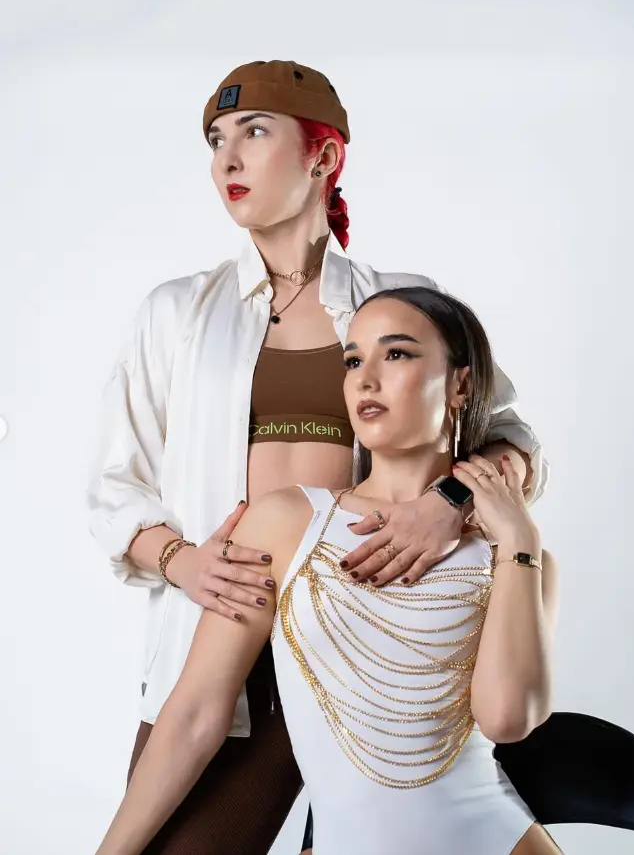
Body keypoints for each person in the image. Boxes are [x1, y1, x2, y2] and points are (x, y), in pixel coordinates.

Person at [87, 60, 548, 854]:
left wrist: (448, 504)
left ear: (324, 156)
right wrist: (180, 560)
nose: (227, 159)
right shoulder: (177, 314)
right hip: (225, 645)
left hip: (366, 643)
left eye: (254, 132)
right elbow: (112, 486)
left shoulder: (398, 304)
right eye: (215, 140)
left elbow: (510, 438)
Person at [95, 286, 560, 855]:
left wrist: (519, 542)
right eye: (353, 361)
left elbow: (508, 719)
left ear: (460, 385)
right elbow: (194, 713)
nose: (366, 379)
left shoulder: (512, 558)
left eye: (396, 354)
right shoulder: (287, 522)